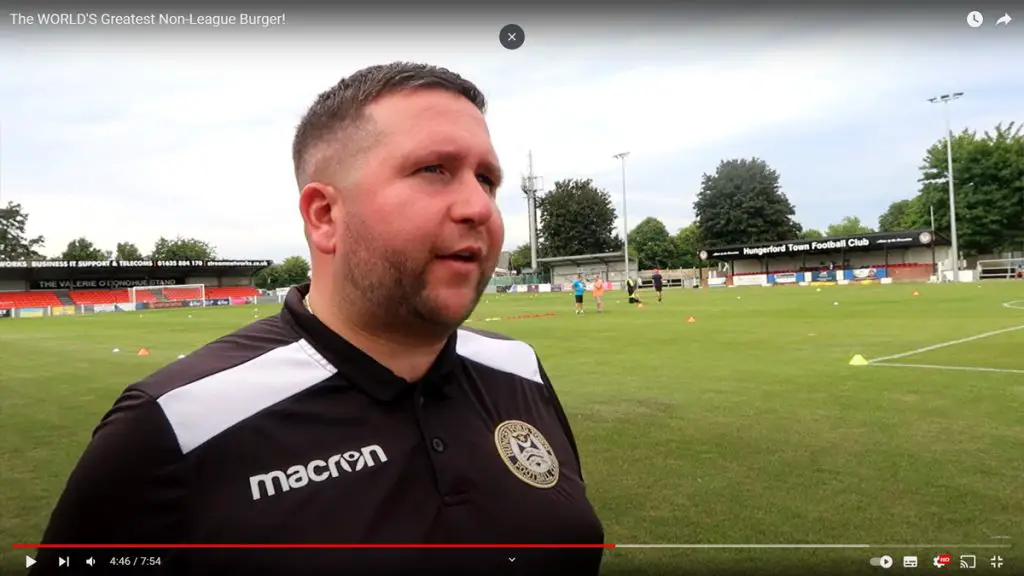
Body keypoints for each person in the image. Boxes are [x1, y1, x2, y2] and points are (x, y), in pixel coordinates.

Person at [31, 62, 604, 576]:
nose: (479, 206)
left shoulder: (519, 367)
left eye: (487, 179)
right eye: (434, 169)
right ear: (325, 215)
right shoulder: (174, 426)